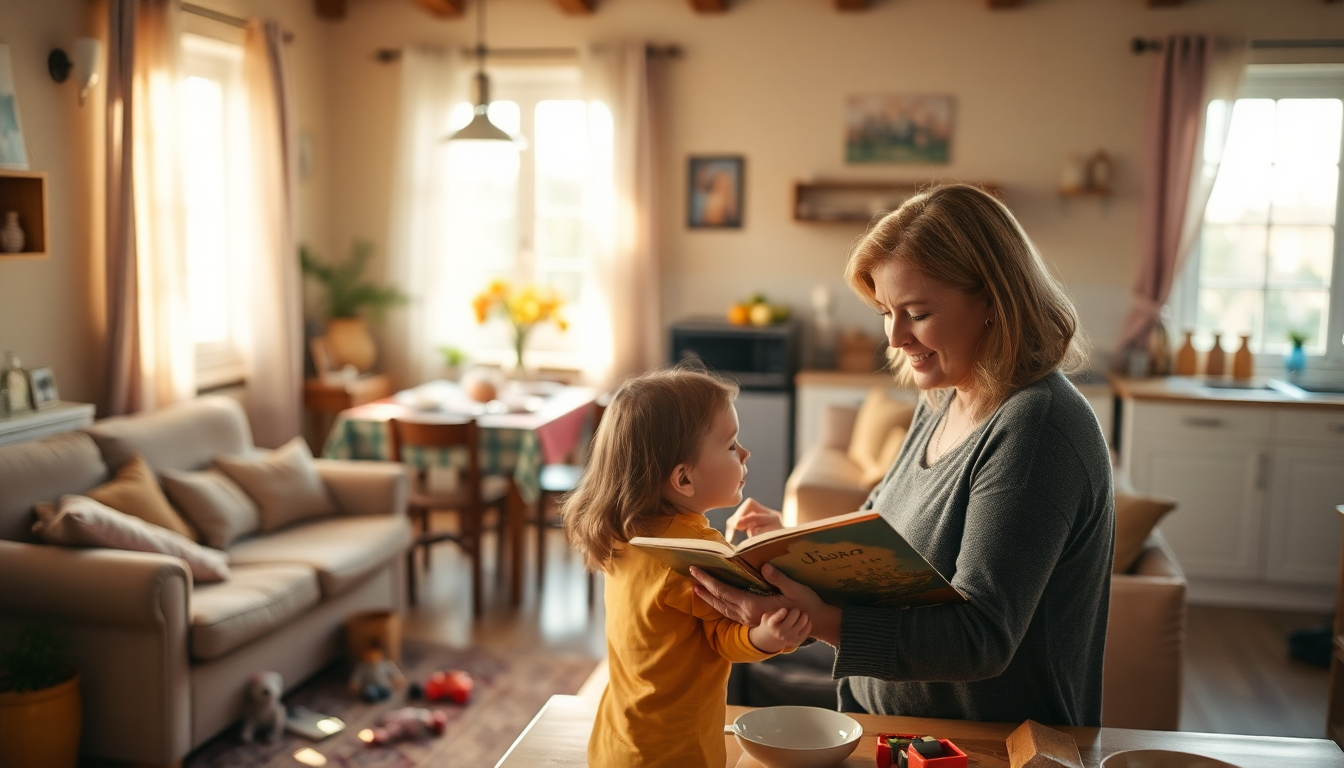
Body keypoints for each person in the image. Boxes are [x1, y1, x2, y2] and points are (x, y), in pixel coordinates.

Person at [690, 183, 1114, 727]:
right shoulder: (943, 398)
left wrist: (817, 620)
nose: (894, 336)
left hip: (983, 749)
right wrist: (796, 547)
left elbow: (980, 638)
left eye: (916, 312)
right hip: (888, 724)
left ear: (993, 301)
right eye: (886, 311)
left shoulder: (1037, 428)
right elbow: (888, 541)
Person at [562, 365, 811, 767]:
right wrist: (766, 637)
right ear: (683, 479)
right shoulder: (692, 550)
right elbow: (724, 636)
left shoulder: (629, 531)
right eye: (731, 446)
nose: (745, 453)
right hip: (676, 752)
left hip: (619, 741)